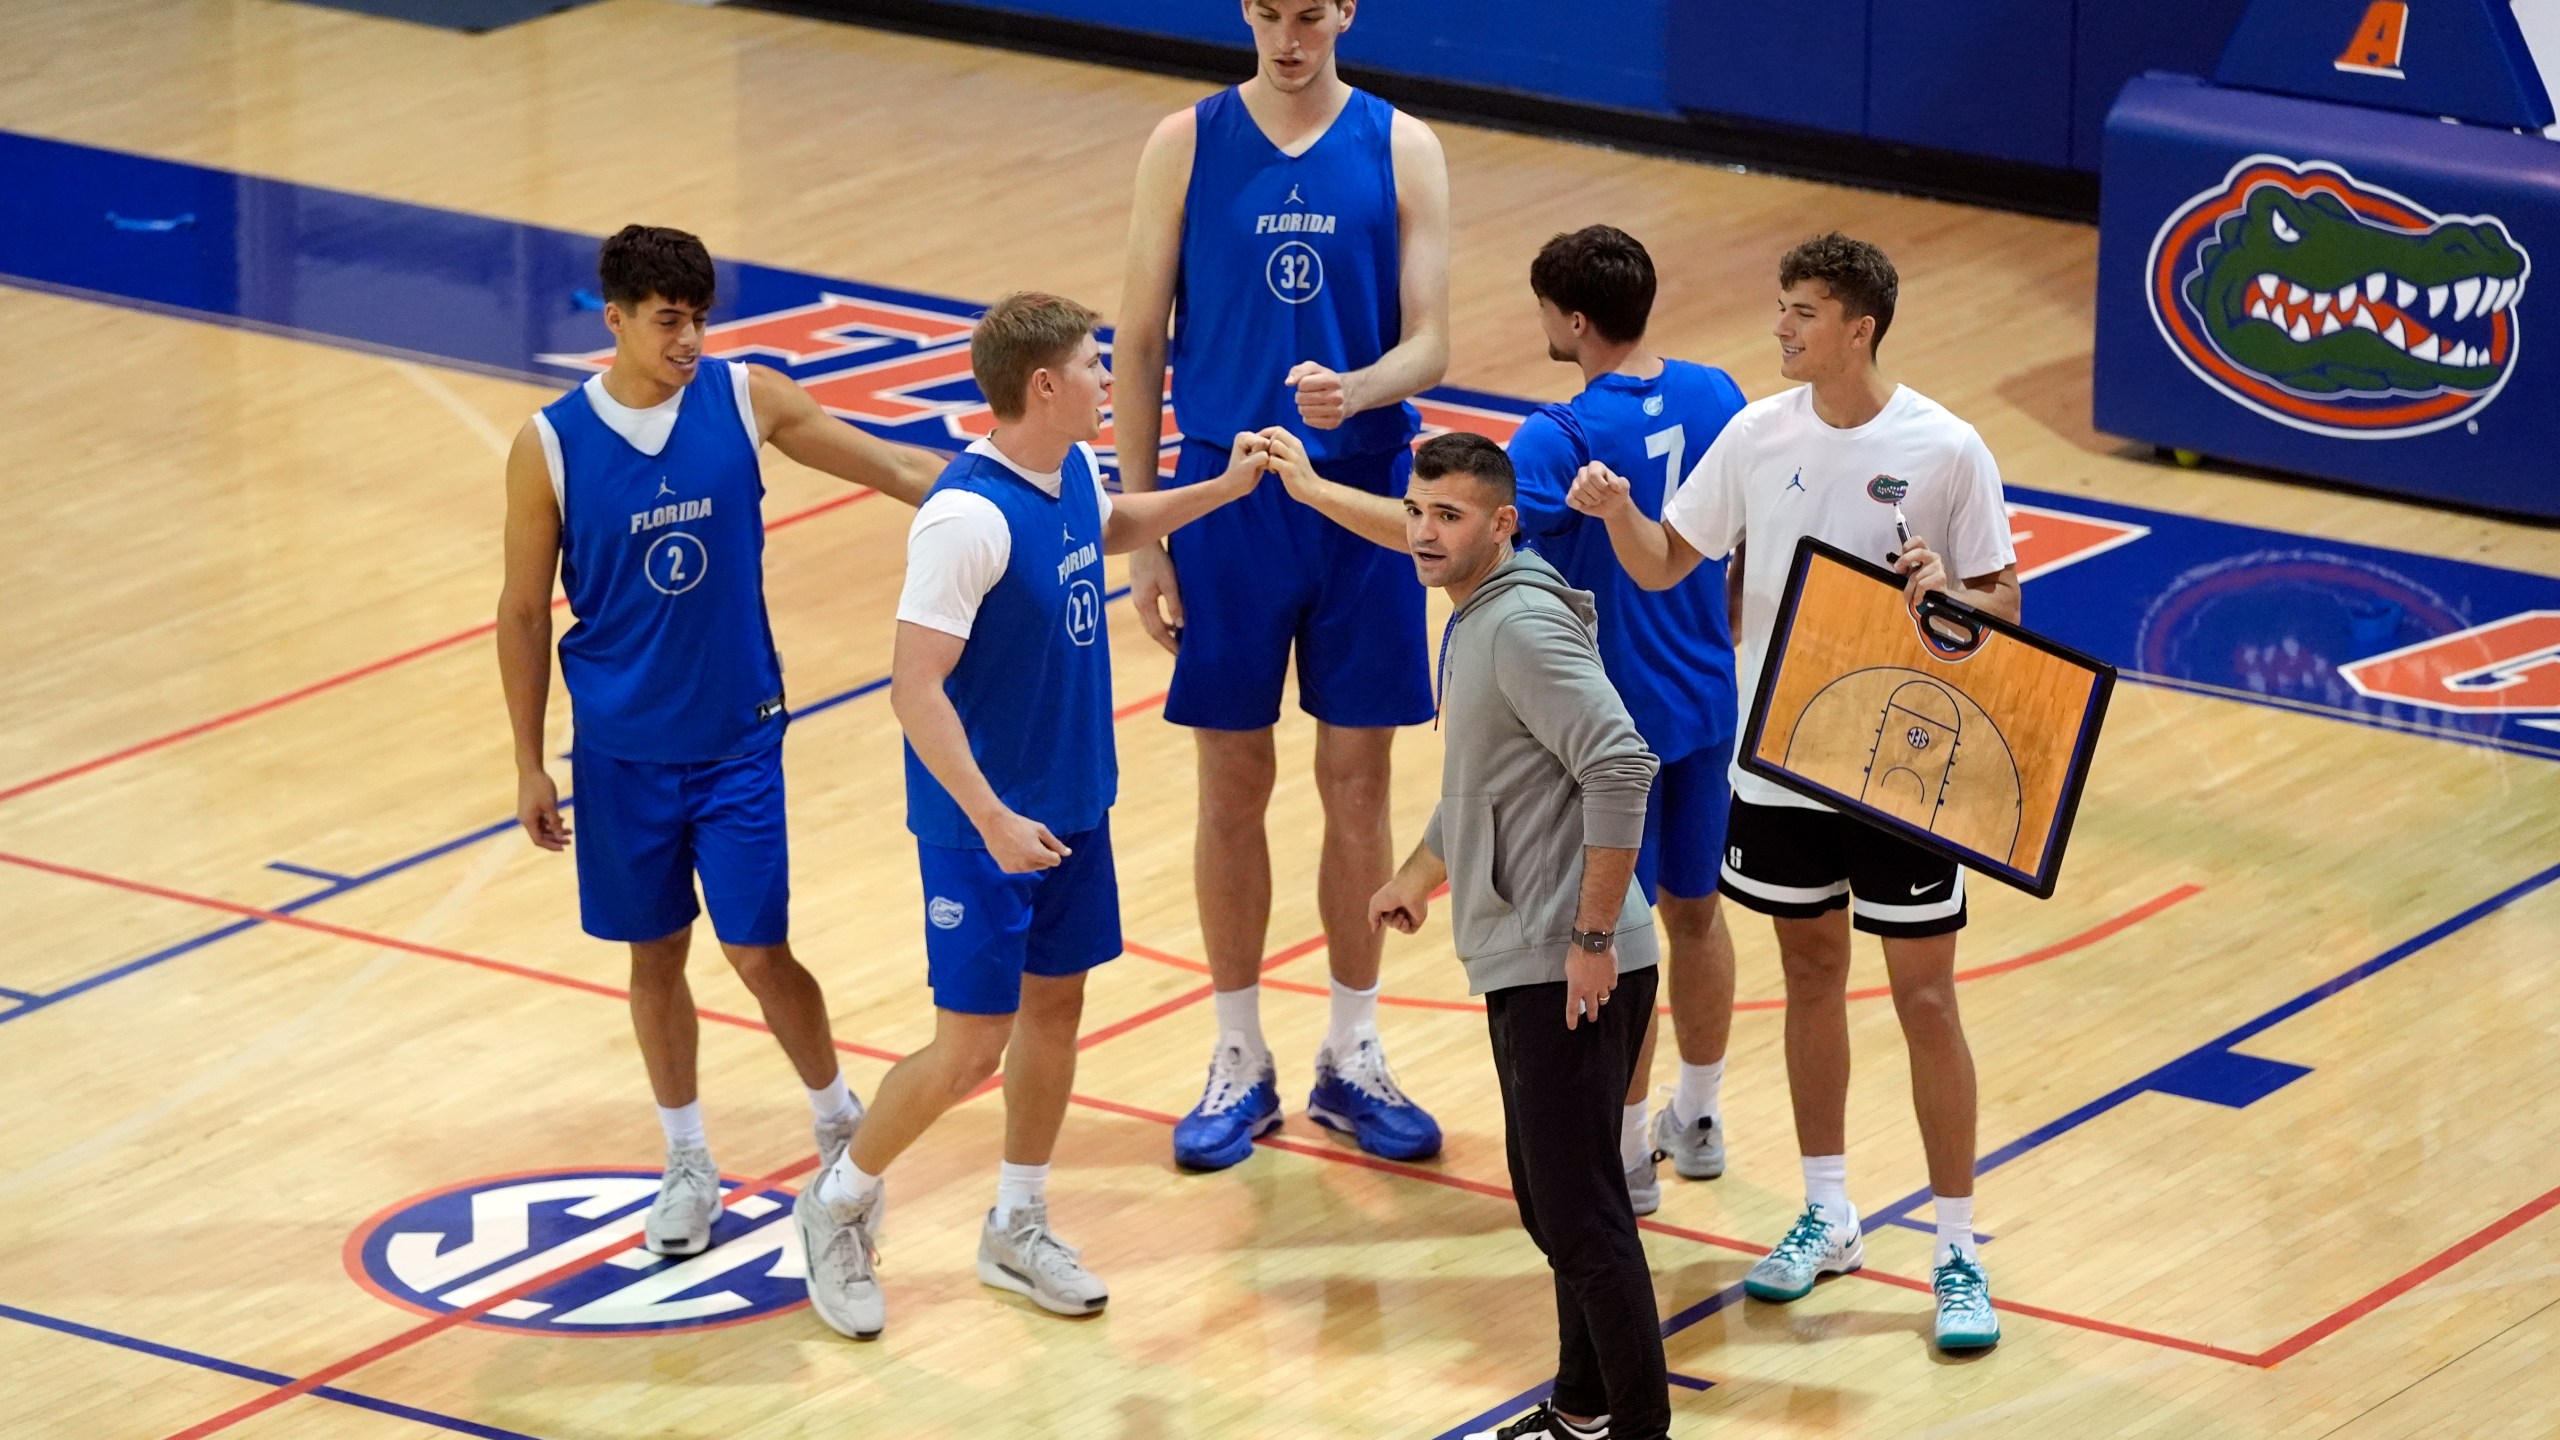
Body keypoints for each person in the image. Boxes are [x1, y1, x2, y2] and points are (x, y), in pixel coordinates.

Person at [793, 293, 1273, 1340]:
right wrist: (994, 817)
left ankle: (1017, 1222)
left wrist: (1224, 489)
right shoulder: (963, 517)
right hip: (984, 828)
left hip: (1072, 807)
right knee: (969, 1046)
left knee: (1055, 1018)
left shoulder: (1068, 471)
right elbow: (913, 687)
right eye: (1095, 367)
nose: (1112, 382)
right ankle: (835, 1203)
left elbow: (1111, 527)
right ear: (1043, 386)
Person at [1568, 232, 2016, 1351]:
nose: (1780, 327)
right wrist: (1615, 509)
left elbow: (2004, 607)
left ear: (1857, 327)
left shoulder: (1947, 448)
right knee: (1810, 977)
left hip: (1905, 761)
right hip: (1778, 761)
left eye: (1802, 310)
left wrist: (1949, 590)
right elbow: (1668, 562)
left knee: (1924, 999)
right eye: (1780, 307)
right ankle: (1827, 1213)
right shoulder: (1755, 436)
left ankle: (1957, 1247)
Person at [1269, 225, 1749, 1214]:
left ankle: (1622, 1151)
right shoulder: (1716, 394)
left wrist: (1314, 490)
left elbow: (1441, 536)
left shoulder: (1559, 437)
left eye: (1542, 310)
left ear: (1573, 321)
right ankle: (1696, 1116)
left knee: (1628, 933)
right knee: (1699, 914)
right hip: (1707, 696)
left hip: (1614, 719)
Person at [496, 224, 943, 1260]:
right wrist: (528, 760)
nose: (689, 338)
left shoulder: (748, 399)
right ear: (614, 318)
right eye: (667, 320)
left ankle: (839, 1122)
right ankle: (688, 1159)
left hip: (738, 740)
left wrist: (1007, 488)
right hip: (618, 753)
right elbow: (522, 613)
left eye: (698, 318)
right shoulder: (552, 445)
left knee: (755, 948)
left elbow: (895, 466)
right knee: (655, 954)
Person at [1115, 0, 1453, 1169]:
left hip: (1358, 497)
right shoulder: (1186, 142)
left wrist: (1358, 391)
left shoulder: (1403, 144)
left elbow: (1430, 346)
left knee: (1359, 784)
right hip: (1225, 495)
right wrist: (1147, 528)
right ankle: (1236, 1053)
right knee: (1230, 784)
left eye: (1309, 12)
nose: (1287, 35)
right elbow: (1141, 339)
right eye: (1266, 10)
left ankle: (1351, 1054)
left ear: (1346, 10)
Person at [1367, 433, 1668, 1440]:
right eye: (1417, 510)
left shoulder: (1516, 630)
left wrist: (1588, 933)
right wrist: (1418, 873)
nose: (1423, 530)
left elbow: (1622, 765)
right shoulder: (1481, 617)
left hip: (1569, 958)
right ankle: (1581, 1411)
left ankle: (1638, 1429)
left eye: (1448, 515)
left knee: (1578, 1217)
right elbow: (1491, 781)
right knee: (1558, 1208)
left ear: (1501, 523)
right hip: (1547, 946)